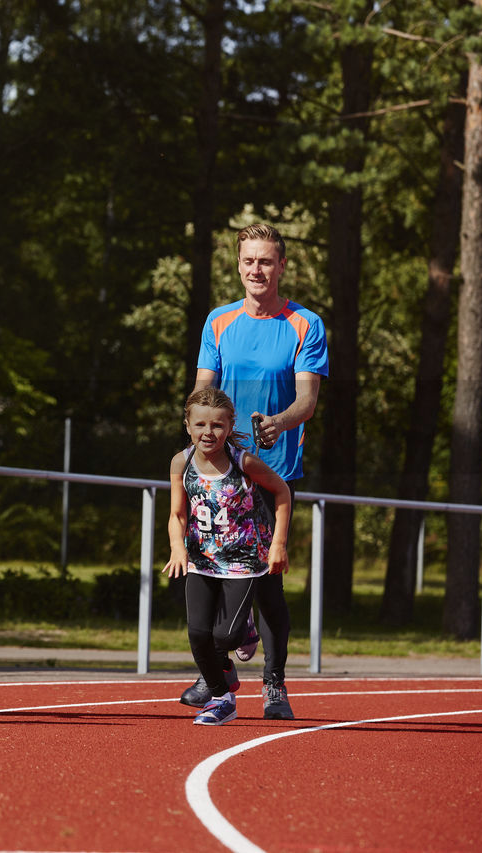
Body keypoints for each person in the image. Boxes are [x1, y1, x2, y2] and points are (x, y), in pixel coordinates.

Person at [181, 222, 328, 720]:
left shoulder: (306, 324)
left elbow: (307, 400)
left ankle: (274, 685)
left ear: (282, 266)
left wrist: (277, 423)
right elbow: (203, 396)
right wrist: (194, 458)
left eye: (266, 261)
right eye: (248, 261)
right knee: (211, 569)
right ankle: (217, 671)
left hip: (272, 472)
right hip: (222, 471)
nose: (256, 270)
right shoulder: (218, 322)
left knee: (267, 582)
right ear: (238, 265)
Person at [164, 387, 292, 725]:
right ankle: (222, 698)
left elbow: (282, 492)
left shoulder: (242, 461)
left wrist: (278, 543)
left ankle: (244, 628)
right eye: (201, 425)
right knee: (197, 633)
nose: (209, 433)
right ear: (188, 425)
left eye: (218, 426)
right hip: (201, 560)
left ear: (229, 425)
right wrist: (178, 547)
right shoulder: (182, 462)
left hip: (243, 561)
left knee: (226, 636)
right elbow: (178, 514)